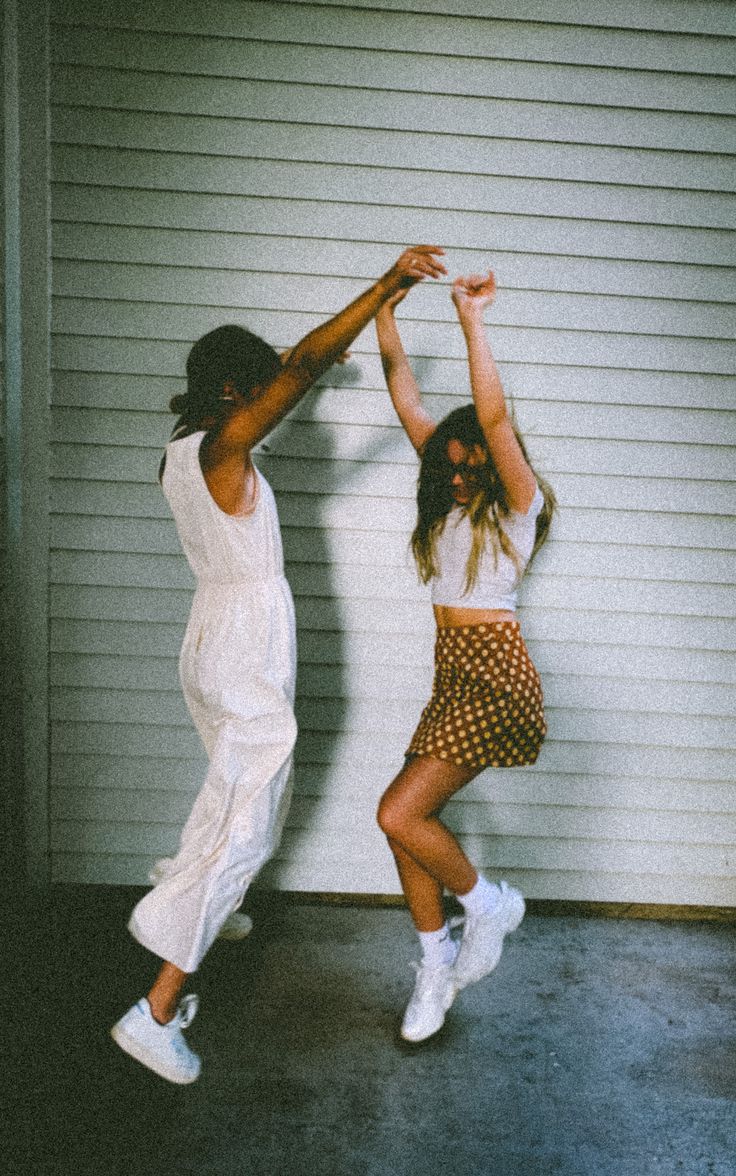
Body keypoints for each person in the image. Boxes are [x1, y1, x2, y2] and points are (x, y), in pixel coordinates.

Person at [110, 245, 447, 1083]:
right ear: (233, 391)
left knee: (227, 791)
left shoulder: (178, 453)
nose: (274, 400)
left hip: (210, 634)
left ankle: (200, 910)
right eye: (255, 388)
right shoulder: (225, 450)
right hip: (246, 637)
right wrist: (383, 290)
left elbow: (288, 379)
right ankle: (155, 1012)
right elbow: (301, 365)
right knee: (247, 825)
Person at [375, 268, 555, 1043]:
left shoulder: (518, 505)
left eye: (468, 461)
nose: (454, 473)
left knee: (398, 810)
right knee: (408, 823)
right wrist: (384, 313)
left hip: (496, 675)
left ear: (490, 458)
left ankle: (488, 906)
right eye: (447, 464)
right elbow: (405, 396)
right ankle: (433, 964)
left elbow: (494, 416)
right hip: (455, 672)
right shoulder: (446, 491)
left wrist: (469, 316)